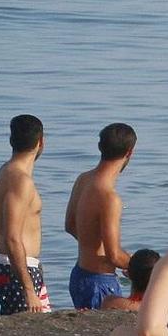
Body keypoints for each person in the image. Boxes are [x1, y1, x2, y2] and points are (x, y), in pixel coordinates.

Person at [64, 123, 137, 309]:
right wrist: (141, 267)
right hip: (100, 282)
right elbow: (113, 256)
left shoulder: (83, 179)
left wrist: (91, 246)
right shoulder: (110, 198)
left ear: (100, 147)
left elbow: (70, 225)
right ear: (129, 152)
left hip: (79, 274)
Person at [0, 114, 52, 314]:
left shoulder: (3, 173)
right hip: (19, 268)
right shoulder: (21, 181)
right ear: (41, 142)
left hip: (8, 264)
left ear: (11, 141)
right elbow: (12, 237)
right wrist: (28, 289)